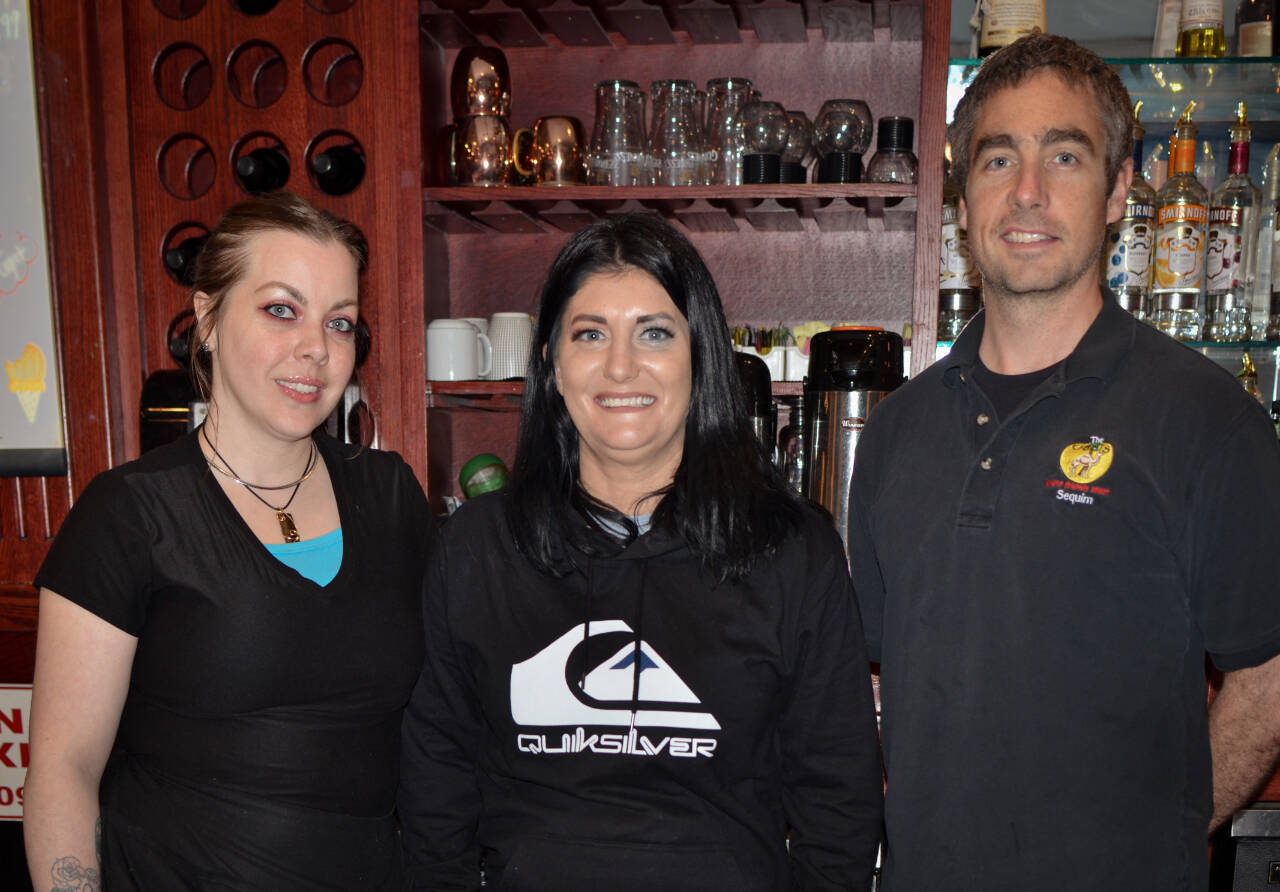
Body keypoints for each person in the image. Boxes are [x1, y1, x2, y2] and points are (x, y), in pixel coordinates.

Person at [847, 33, 1280, 891]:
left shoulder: (1208, 421)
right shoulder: (897, 432)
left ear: (1119, 191)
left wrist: (1163, 835)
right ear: (963, 199)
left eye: (1066, 156)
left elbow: (1268, 676)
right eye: (998, 158)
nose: (1028, 192)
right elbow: (877, 680)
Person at [398, 214, 883, 891]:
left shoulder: (793, 552)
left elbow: (840, 805)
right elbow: (436, 785)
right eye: (590, 334)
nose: (620, 366)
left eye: (654, 333)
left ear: (699, 357)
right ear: (552, 363)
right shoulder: (476, 550)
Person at [23, 191, 432, 891]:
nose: (316, 348)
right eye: (282, 310)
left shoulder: (392, 495)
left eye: (339, 322)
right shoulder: (130, 513)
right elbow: (65, 769)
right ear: (208, 320)